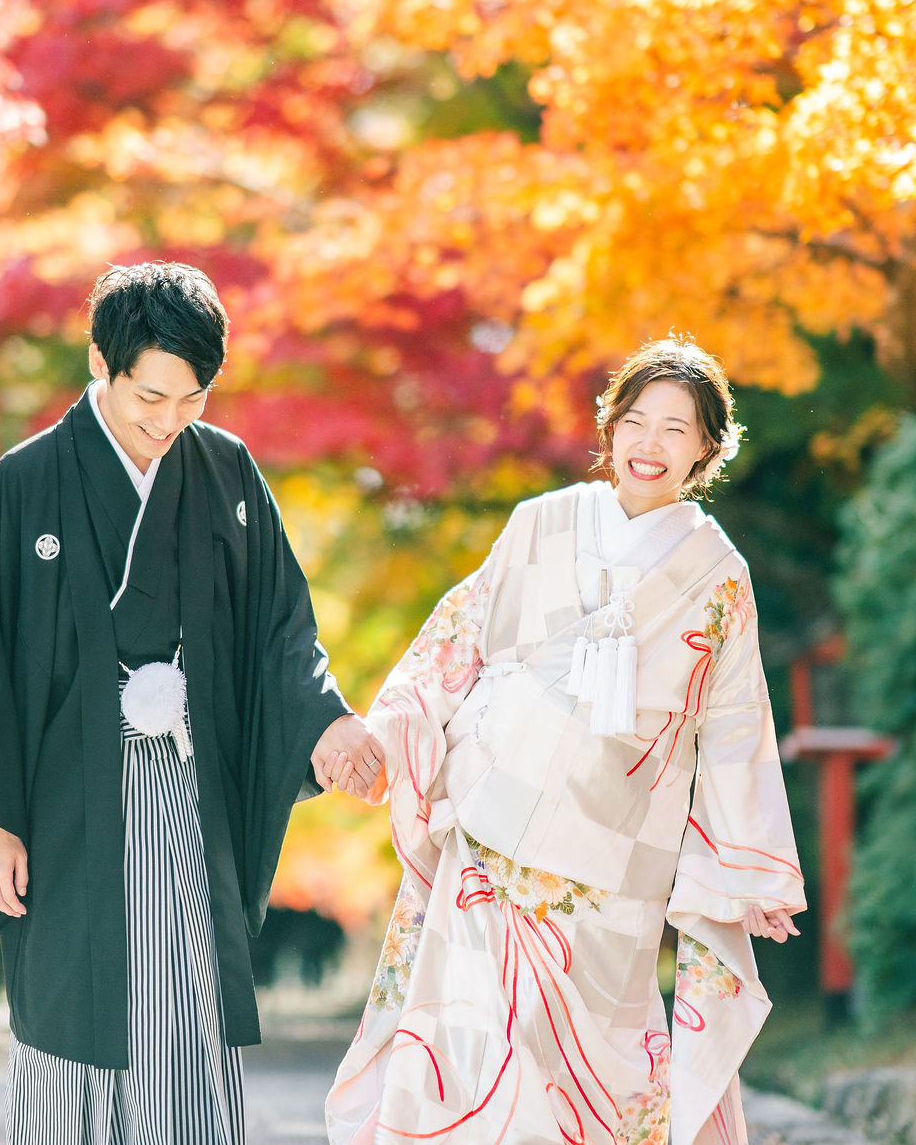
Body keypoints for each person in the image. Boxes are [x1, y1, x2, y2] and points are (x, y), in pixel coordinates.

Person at [0, 261, 384, 1144]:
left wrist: (326, 719)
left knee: (186, 994)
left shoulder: (227, 472)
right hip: (61, 795)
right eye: (149, 396)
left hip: (184, 781)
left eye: (191, 400)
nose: (167, 421)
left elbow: (280, 624)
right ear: (101, 359)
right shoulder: (27, 482)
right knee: (69, 999)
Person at [328, 338, 807, 1145]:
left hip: (617, 848)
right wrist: (385, 729)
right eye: (637, 421)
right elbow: (459, 634)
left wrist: (746, 863)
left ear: (708, 450)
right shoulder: (539, 524)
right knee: (473, 1037)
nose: (649, 444)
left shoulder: (717, 572)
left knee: (597, 1060)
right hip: (492, 815)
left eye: (675, 430)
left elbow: (733, 716)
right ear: (610, 426)